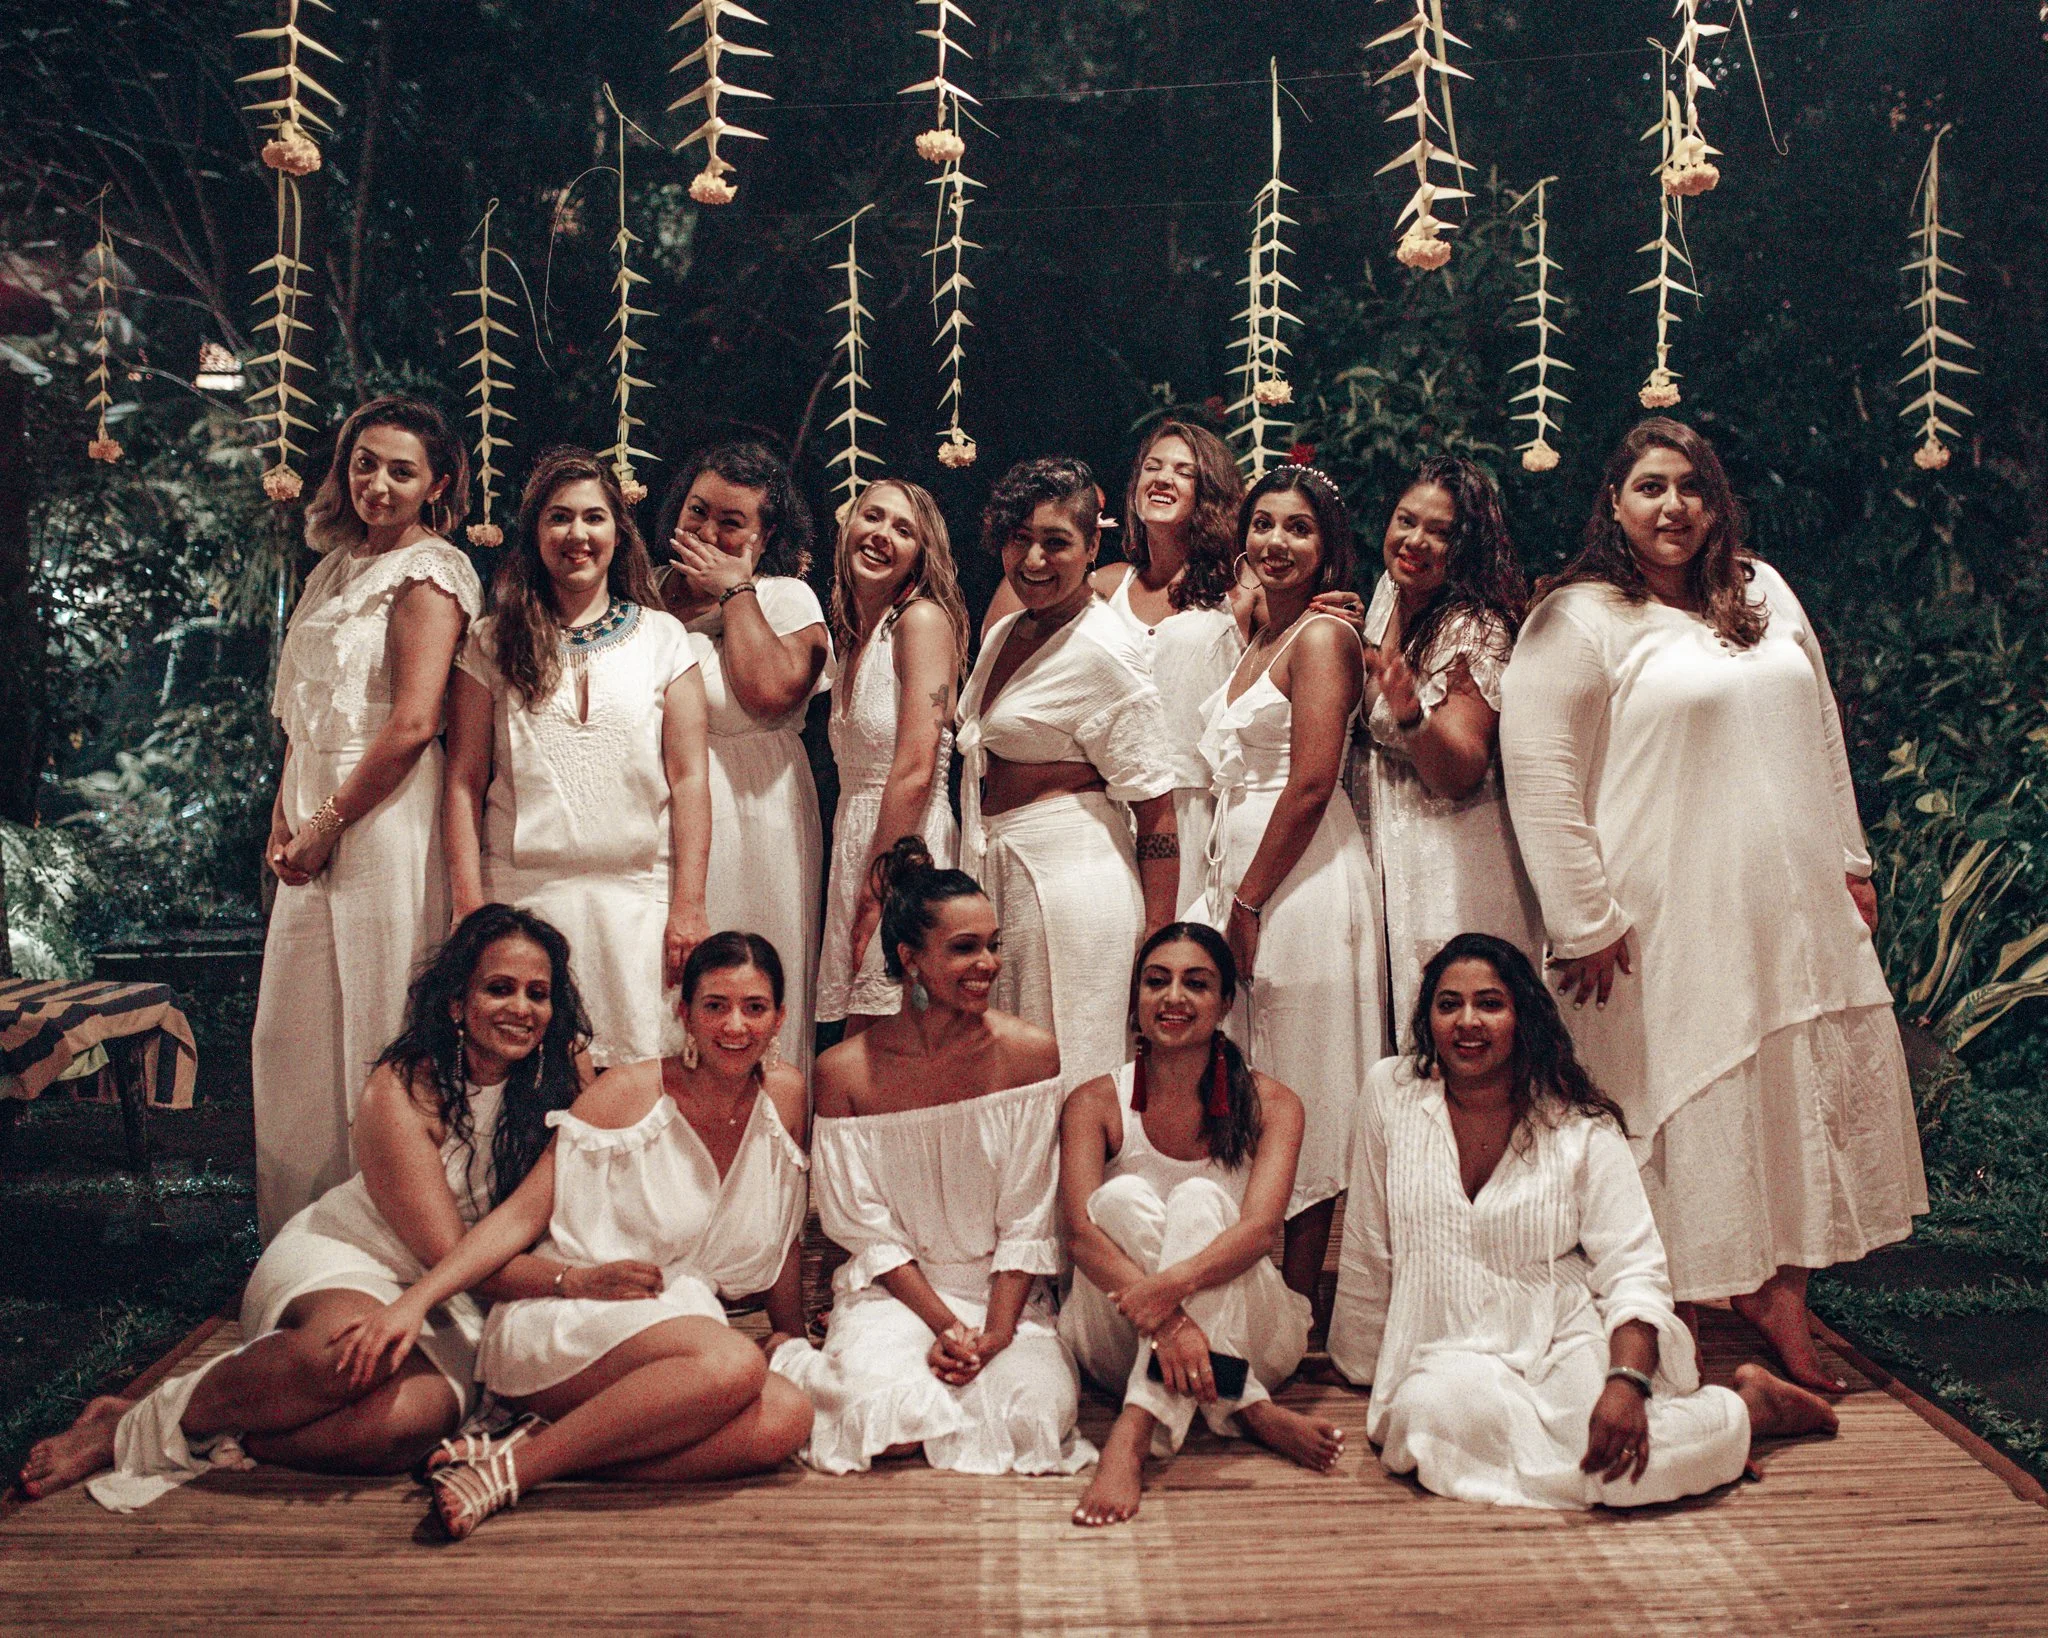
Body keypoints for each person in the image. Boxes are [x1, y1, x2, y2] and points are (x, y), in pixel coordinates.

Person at [1498, 417, 1927, 1393]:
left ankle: (1779, 1299)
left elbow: (1819, 727)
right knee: (1672, 1097)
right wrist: (1581, 916)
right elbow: (1540, 774)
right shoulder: (1579, 617)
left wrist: (1851, 860)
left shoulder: (1760, 589)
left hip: (1787, 904)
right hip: (1658, 916)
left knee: (1785, 1095)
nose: (1672, 506)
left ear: (1716, 501)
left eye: (1690, 487)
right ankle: (1666, 1316)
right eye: (1650, 487)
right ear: (1614, 503)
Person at [20, 906, 589, 1508]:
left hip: (462, 1292)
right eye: (499, 988)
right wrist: (575, 1283)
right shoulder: (401, 1089)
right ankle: (133, 1427)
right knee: (343, 1357)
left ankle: (219, 1430)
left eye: (538, 993)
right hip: (360, 1254)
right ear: (456, 1002)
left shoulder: (562, 1072)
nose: (521, 1008)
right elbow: (452, 1255)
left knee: (402, 1427)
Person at [1327, 934, 1841, 1510]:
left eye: (1490, 1003)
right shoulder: (1391, 1093)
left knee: (1610, 1459)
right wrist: (1360, 1360)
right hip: (1443, 1353)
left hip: (1564, 1338)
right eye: (1449, 1005)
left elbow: (1634, 1269)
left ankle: (1741, 1412)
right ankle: (1731, 1421)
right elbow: (1369, 1239)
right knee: (1427, 1420)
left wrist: (1627, 1382)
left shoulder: (1579, 1125)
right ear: (1428, 1018)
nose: (1467, 1022)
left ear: (1523, 1017)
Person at [330, 932, 813, 1541]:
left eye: (754, 1007)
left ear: (780, 1018)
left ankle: (540, 1449)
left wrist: (792, 1333)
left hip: (677, 1327)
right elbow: (520, 1217)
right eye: (715, 1005)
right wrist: (417, 1300)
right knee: (733, 1363)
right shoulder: (628, 1093)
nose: (735, 1025)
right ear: (684, 1013)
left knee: (788, 1416)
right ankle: (515, 1473)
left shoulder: (786, 1095)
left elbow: (784, 1225)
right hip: (571, 1318)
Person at [771, 838, 1095, 1477]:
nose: (987, 964)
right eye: (964, 948)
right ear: (909, 959)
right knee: (880, 1419)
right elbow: (864, 1227)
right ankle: (797, 1361)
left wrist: (994, 1334)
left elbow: (1029, 1214)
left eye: (993, 945)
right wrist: (945, 1324)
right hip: (895, 1295)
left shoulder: (1030, 1054)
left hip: (1005, 1296)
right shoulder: (844, 1072)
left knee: (1030, 1419)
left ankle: (968, 1373)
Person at [253, 395, 484, 1239]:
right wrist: (284, 819)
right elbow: (304, 712)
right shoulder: (336, 567)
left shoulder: (431, 572)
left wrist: (325, 823)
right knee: (295, 1030)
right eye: (364, 464)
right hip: (315, 804)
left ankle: (396, 1237)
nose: (377, 485)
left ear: (438, 483)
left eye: (400, 471)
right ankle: (306, 1238)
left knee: (380, 1016)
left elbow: (415, 721)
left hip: (384, 813)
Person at [1062, 922, 1342, 1528]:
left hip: (1254, 1333)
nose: (1174, 997)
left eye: (1196, 983)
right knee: (1117, 1200)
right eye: (1156, 981)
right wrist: (1173, 1322)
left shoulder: (1275, 1103)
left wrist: (1172, 1288)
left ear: (1225, 1003)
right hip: (1120, 1334)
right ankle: (1247, 1408)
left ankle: (1133, 1431)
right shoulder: (1093, 1101)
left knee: (1198, 1200)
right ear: (1136, 995)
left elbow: (1260, 1232)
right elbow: (1080, 1238)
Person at [444, 448, 713, 1066]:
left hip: (639, 903)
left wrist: (689, 906)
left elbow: (691, 781)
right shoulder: (490, 641)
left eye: (593, 517)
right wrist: (468, 906)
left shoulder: (664, 638)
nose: (577, 534)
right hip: (522, 901)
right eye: (559, 517)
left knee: (638, 1083)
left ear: (618, 531)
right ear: (535, 532)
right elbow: (463, 781)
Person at [1192, 465, 1385, 1313]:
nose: (1276, 540)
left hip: (1299, 879)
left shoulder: (1322, 640)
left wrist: (1249, 901)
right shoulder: (1264, 636)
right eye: (1263, 523)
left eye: (1298, 528)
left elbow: (1310, 783)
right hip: (1243, 868)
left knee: (1306, 1075)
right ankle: (1250, 1281)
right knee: (1249, 1071)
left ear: (1328, 546)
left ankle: (1299, 1301)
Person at [955, 456, 1179, 1088]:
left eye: (1055, 542)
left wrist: (1157, 944)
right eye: (1018, 538)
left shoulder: (1106, 651)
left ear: (1091, 547)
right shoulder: (1007, 632)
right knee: (1014, 1081)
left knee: (1073, 1072)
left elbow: (1156, 809)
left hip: (1075, 887)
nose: (1034, 560)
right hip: (1007, 877)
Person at [983, 425, 1250, 910]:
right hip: (1113, 803)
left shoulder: (1240, 589)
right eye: (1152, 467)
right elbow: (1010, 620)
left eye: (1183, 471)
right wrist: (1058, 521)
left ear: (1210, 491)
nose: (1162, 478)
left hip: (1199, 807)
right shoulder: (1108, 583)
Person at [1343, 455, 1542, 1041]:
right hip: (1384, 840)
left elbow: (1461, 771)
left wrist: (1411, 714)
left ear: (1468, 547)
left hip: (1448, 860)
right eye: (1406, 520)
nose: (1415, 541)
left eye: (1440, 532)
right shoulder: (1388, 593)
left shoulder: (1475, 628)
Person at [654, 442, 832, 1072]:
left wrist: (735, 590)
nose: (707, 532)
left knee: (744, 980)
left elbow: (767, 693)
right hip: (660, 813)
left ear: (766, 535)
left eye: (731, 522)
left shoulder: (783, 596)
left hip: (755, 812)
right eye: (697, 511)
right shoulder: (642, 593)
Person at [817, 477, 970, 1035]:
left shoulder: (921, 621)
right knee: (863, 1041)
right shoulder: (856, 636)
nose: (882, 534)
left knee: (901, 1036)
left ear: (920, 555)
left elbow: (915, 769)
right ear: (848, 527)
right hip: (857, 839)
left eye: (903, 529)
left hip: (908, 849)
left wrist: (878, 886)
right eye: (873, 516)